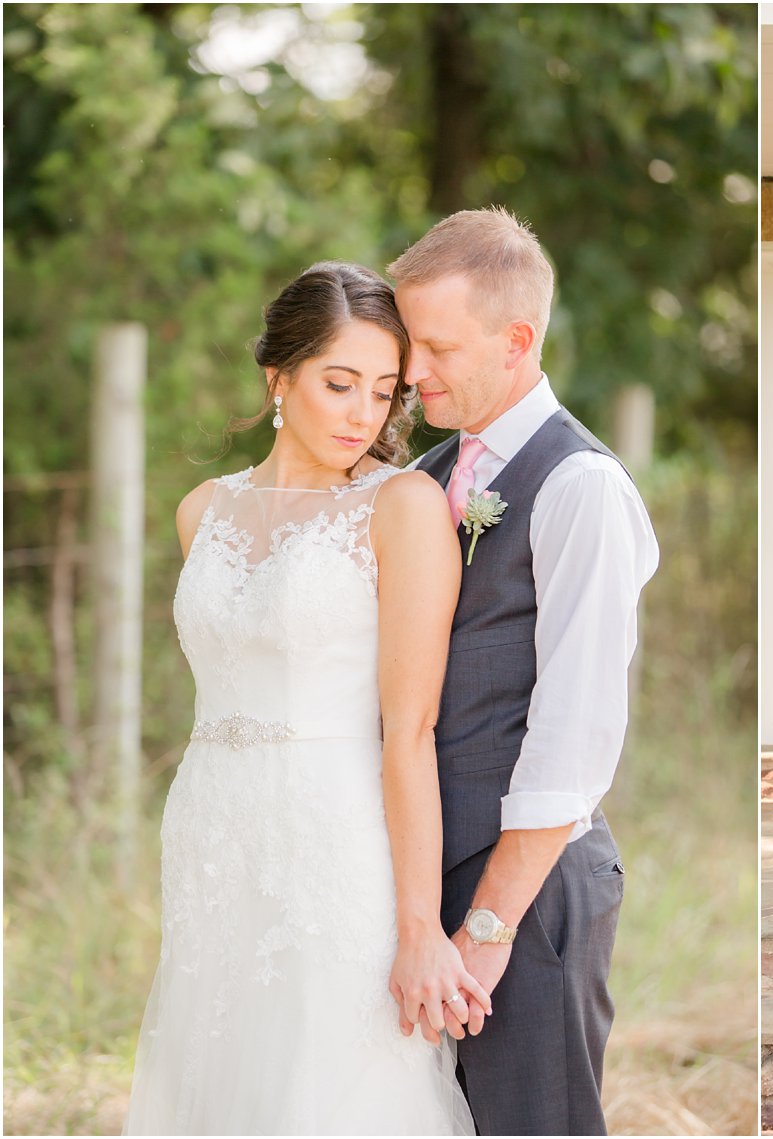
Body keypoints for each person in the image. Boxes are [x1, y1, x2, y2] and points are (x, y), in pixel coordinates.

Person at [126, 262, 481, 1134]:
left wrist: (420, 926)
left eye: (384, 392)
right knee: (220, 1067)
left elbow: (411, 729)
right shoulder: (200, 510)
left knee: (330, 1082)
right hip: (211, 831)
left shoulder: (401, 505)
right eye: (339, 383)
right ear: (279, 376)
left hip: (337, 839)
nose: (363, 413)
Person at [388, 207, 658, 1136]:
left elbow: (575, 733)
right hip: (427, 881)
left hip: (527, 898)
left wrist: (489, 929)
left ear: (516, 340)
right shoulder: (424, 478)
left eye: (435, 346)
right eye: (406, 341)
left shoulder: (580, 486)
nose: (411, 371)